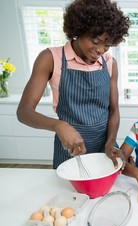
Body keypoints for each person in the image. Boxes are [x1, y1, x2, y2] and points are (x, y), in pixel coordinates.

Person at [16, 0, 130, 169]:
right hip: (69, 149)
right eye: (96, 41)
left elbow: (114, 110)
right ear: (79, 29)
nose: (100, 50)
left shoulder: (110, 63)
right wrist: (58, 125)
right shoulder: (50, 59)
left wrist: (111, 141)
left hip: (104, 147)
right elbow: (24, 112)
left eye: (107, 45)